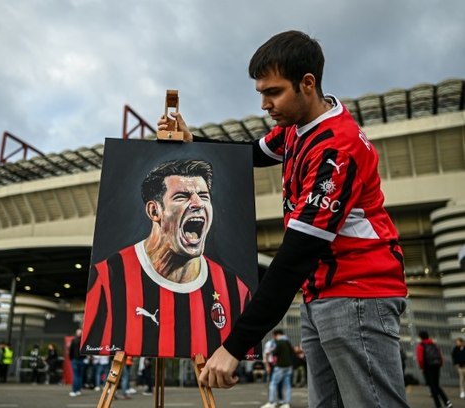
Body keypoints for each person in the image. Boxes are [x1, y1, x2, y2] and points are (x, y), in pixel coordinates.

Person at [160, 30, 409, 407]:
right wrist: (192, 143)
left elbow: (293, 260)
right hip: (320, 294)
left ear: (307, 84)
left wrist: (235, 344)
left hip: (358, 294)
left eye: (272, 92)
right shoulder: (295, 129)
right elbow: (248, 155)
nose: (264, 104)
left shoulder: (336, 150)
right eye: (261, 92)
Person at [81, 159, 251, 358]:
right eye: (182, 196)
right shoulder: (107, 278)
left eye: (204, 196)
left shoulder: (236, 290)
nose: (198, 203)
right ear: (154, 211)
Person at [416, 331, 452, 408]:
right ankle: (447, 402)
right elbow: (440, 355)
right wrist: (440, 364)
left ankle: (438, 405)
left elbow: (420, 359)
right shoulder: (433, 344)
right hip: (436, 366)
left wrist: (422, 368)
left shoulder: (421, 345)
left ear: (420, 337)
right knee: (436, 385)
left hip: (427, 367)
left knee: (432, 386)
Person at [261, 329, 294, 408]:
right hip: (288, 366)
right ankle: (286, 403)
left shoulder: (279, 342)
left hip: (280, 366)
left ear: (276, 335)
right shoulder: (287, 342)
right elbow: (292, 352)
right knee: (287, 385)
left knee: (273, 384)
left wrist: (271, 352)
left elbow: (274, 352)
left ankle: (272, 402)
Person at [68, 329, 85, 397]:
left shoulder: (73, 340)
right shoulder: (84, 341)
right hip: (82, 360)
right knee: (80, 376)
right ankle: (78, 390)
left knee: (75, 375)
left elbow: (71, 351)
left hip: (75, 359)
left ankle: (74, 390)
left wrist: (71, 358)